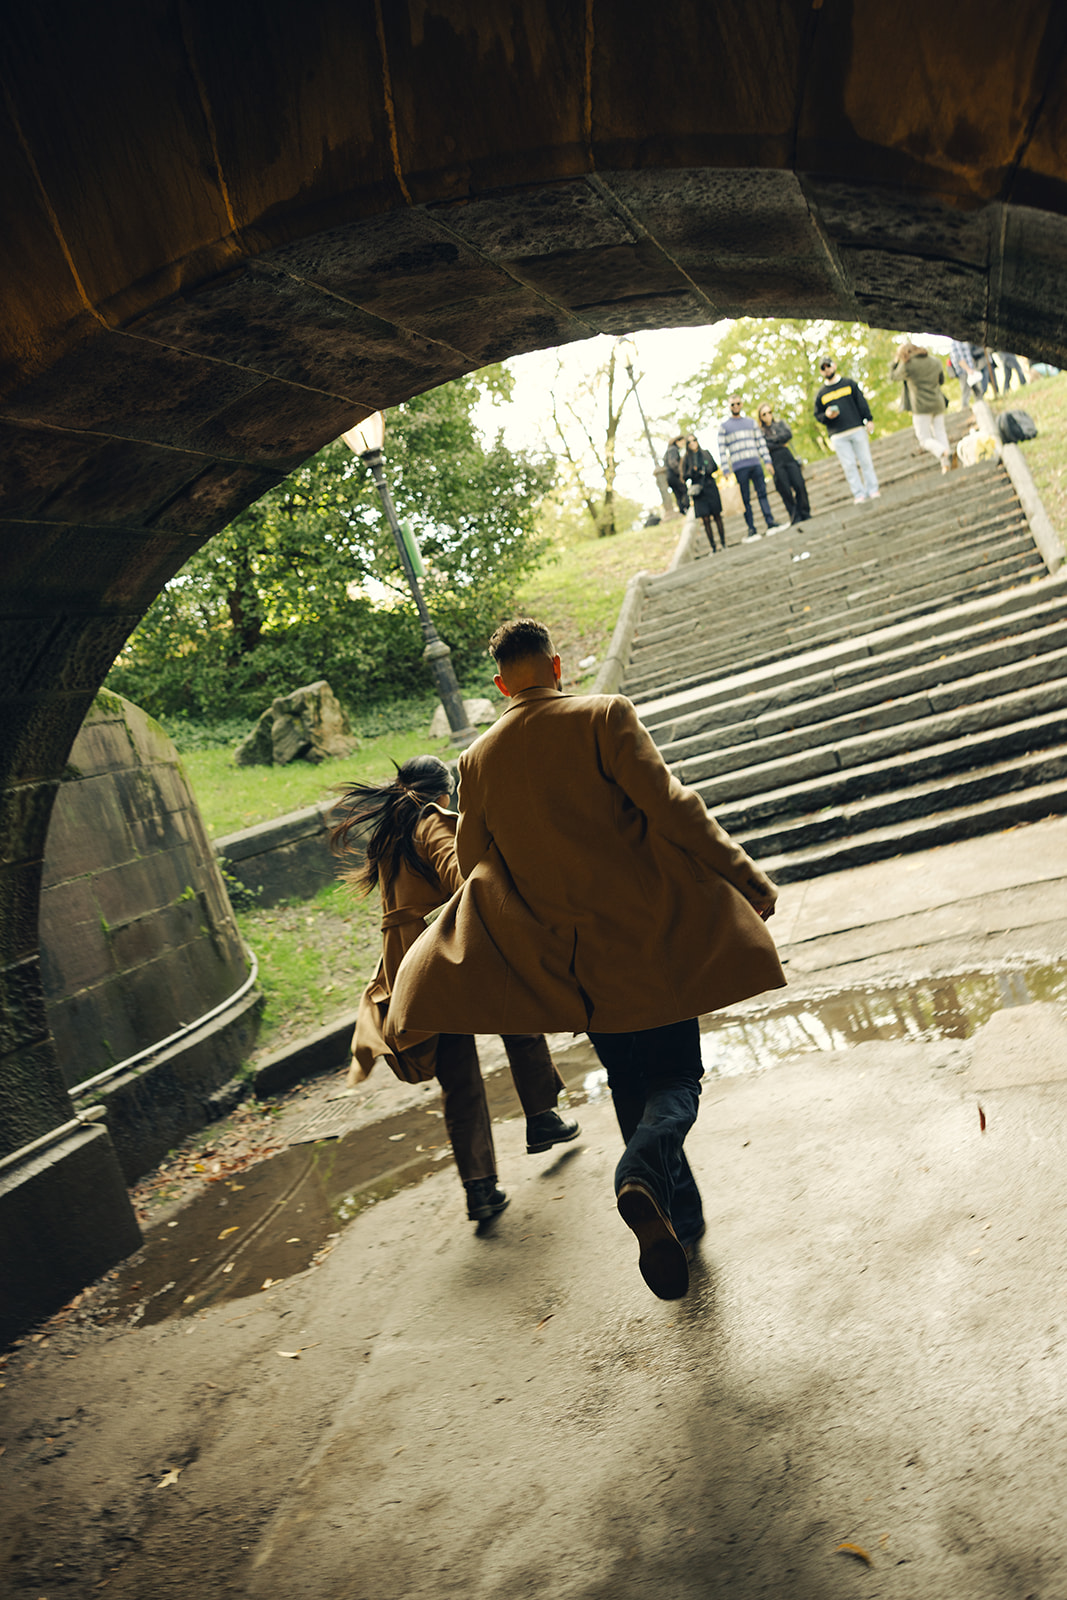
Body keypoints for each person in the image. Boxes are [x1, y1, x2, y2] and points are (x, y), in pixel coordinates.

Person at [388, 621, 785, 1301]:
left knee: (632, 1087)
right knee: (678, 1080)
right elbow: (674, 809)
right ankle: (638, 1175)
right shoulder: (603, 716)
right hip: (649, 939)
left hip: (574, 964)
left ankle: (678, 1223)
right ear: (556, 665)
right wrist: (745, 875)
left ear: (500, 684)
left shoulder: (477, 761)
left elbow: (478, 866)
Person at [330, 755, 579, 1225]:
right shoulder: (429, 822)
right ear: (444, 793)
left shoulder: (390, 835)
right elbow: (459, 873)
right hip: (445, 948)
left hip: (411, 962)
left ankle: (480, 1188)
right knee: (518, 1011)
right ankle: (542, 1115)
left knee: (457, 1075)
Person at [813, 356, 880, 503]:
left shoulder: (849, 384)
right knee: (849, 466)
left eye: (828, 366)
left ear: (834, 365)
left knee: (866, 461)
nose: (826, 370)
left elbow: (861, 402)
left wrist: (868, 419)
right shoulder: (821, 394)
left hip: (856, 428)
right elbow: (817, 414)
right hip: (837, 434)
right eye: (823, 368)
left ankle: (873, 489)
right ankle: (859, 494)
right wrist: (827, 415)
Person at [716, 395, 779, 540]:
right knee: (745, 499)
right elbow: (722, 449)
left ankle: (770, 522)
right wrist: (726, 470)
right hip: (739, 467)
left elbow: (760, 443)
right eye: (732, 404)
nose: (735, 406)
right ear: (729, 406)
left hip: (755, 463)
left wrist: (767, 461)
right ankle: (751, 528)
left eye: (738, 403)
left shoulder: (751, 423)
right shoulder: (724, 427)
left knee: (762, 494)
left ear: (741, 404)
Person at [890, 340, 952, 472]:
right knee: (940, 433)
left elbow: (893, 377)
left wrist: (895, 361)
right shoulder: (935, 361)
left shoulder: (908, 365)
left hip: (921, 407)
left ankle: (944, 452)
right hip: (938, 402)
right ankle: (947, 464)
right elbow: (941, 381)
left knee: (924, 439)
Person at [757, 404, 811, 523]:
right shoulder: (760, 432)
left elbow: (788, 435)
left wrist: (774, 440)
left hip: (787, 455)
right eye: (764, 414)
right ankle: (794, 515)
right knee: (784, 488)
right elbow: (765, 445)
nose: (768, 416)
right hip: (775, 459)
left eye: (769, 412)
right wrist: (779, 440)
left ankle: (804, 511)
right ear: (760, 417)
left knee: (799, 484)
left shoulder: (780, 424)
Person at [683, 433, 726, 551]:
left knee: (717, 515)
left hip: (710, 486)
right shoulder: (687, 459)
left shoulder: (705, 453)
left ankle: (723, 542)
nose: (692, 443)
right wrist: (693, 471)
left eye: (694, 440)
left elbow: (714, 467)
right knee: (705, 519)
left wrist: (706, 469)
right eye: (690, 442)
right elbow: (684, 475)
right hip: (698, 490)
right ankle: (713, 546)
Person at [663, 436, 689, 514]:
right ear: (677, 441)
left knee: (678, 495)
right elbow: (673, 463)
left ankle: (682, 512)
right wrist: (681, 474)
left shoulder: (669, 450)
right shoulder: (673, 449)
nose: (683, 444)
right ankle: (686, 509)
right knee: (684, 491)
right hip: (674, 476)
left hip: (669, 477)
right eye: (682, 442)